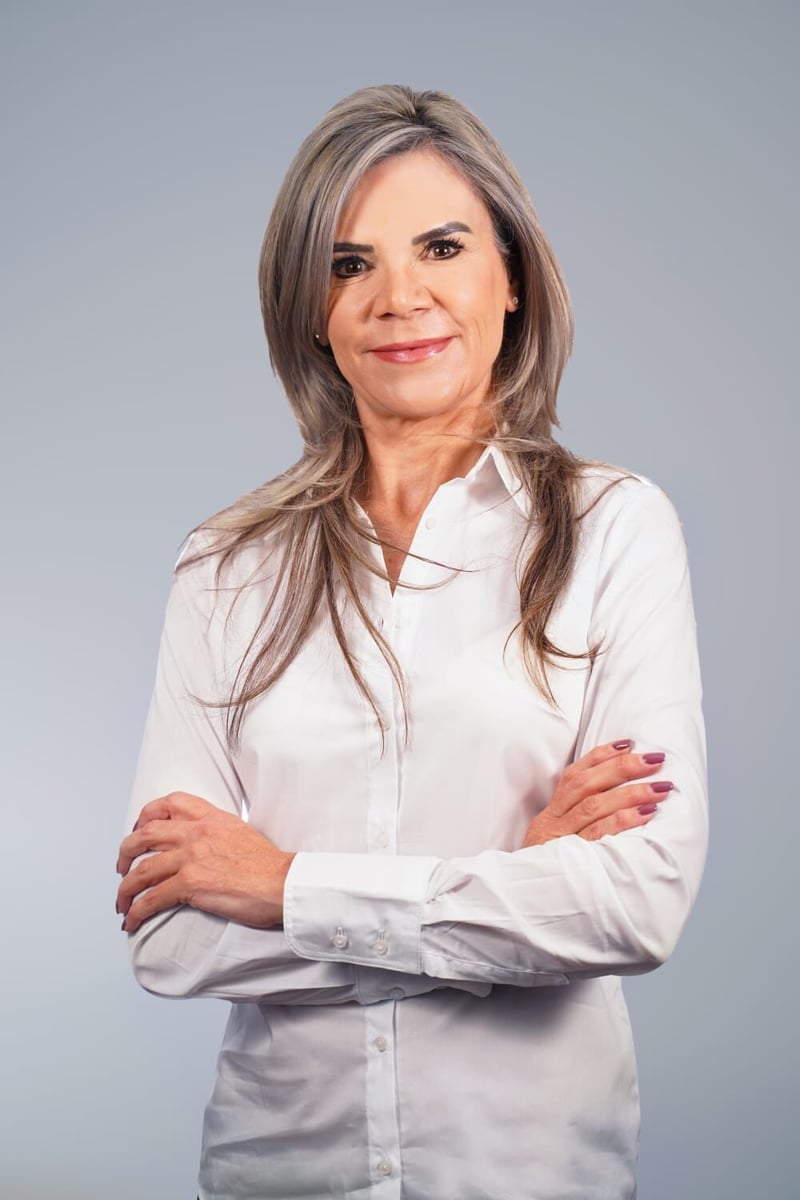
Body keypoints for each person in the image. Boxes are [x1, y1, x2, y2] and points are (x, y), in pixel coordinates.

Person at [116, 84, 707, 1200]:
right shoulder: (225, 565)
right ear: (311, 311)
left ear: (511, 275)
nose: (400, 298)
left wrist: (282, 886)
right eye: (349, 265)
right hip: (279, 1173)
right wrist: (514, 894)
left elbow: (632, 907)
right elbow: (171, 937)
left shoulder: (613, 528)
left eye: (441, 246)